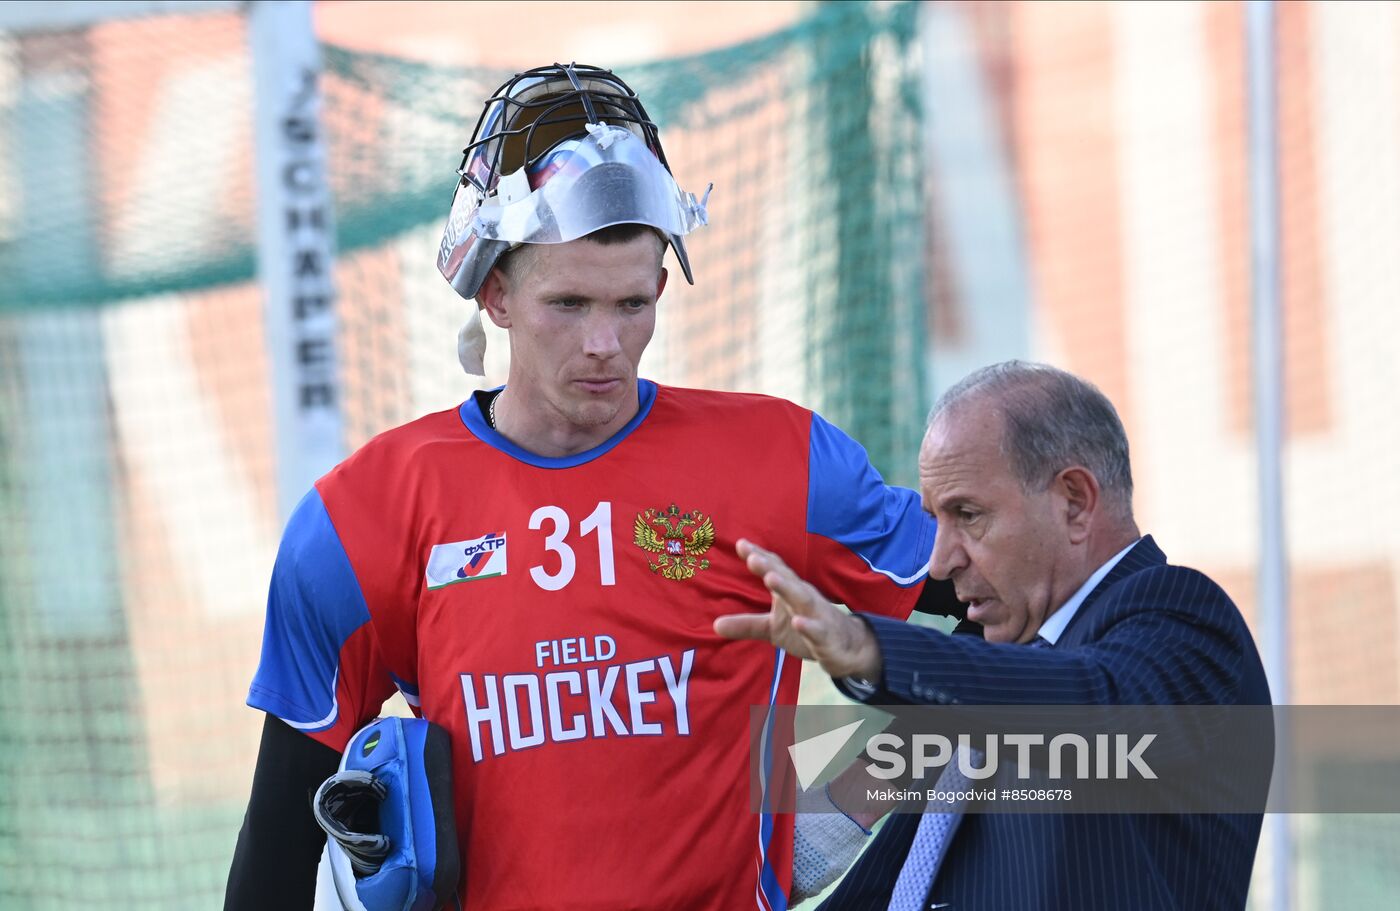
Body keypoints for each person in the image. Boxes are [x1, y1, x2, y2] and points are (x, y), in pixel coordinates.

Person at [224, 63, 962, 911]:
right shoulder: (360, 520)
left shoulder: (781, 462)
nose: (607, 343)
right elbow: (278, 842)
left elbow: (1001, 592)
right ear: (495, 292)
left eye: (633, 303)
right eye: (568, 303)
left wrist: (856, 801)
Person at [716, 360, 1272, 910]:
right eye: (937, 519)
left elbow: (1090, 703)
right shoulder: (1002, 675)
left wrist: (870, 649)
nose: (938, 562)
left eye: (968, 515)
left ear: (1074, 502)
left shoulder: (1183, 618)